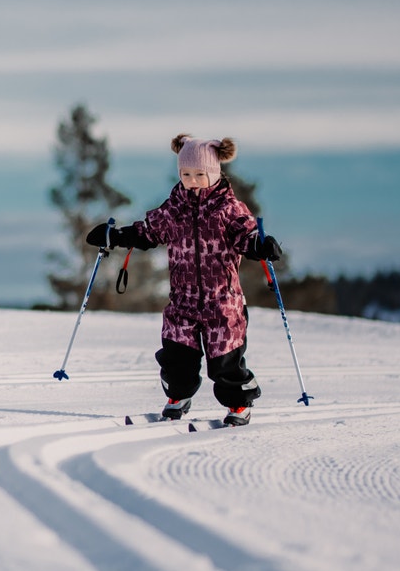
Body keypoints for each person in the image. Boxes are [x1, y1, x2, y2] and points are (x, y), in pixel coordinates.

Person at [86, 134, 283, 426]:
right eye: (186, 174)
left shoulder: (228, 209)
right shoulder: (174, 209)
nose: (192, 180)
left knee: (224, 362)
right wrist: (116, 236)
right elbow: (148, 231)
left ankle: (239, 404)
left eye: (199, 174)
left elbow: (247, 235)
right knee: (177, 355)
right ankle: (178, 396)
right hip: (183, 300)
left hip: (222, 303)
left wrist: (259, 245)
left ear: (214, 173)